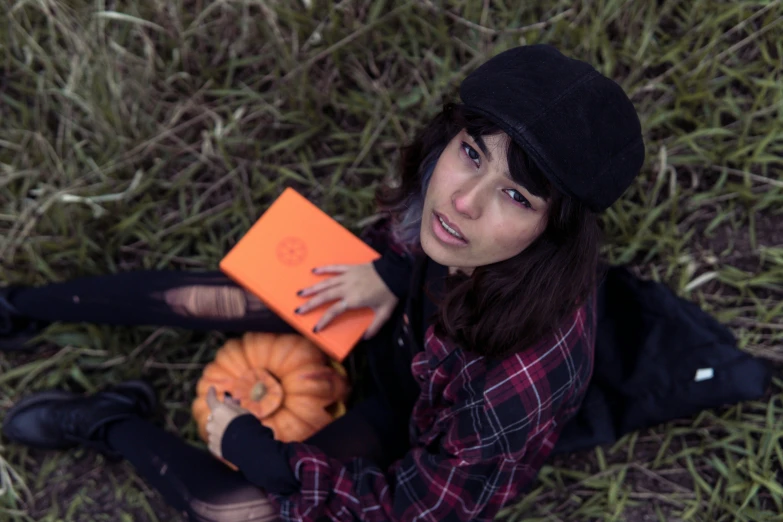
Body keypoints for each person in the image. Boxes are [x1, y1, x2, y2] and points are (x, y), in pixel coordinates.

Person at [1, 44, 645, 521]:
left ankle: (110, 422)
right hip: (382, 312)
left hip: (404, 412)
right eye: (472, 154)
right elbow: (414, 218)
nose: (465, 202)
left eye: (515, 195)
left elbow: (418, 510)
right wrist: (393, 268)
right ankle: (19, 306)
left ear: (554, 230)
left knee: (232, 507)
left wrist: (265, 454)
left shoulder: (521, 377)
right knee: (210, 297)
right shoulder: (443, 191)